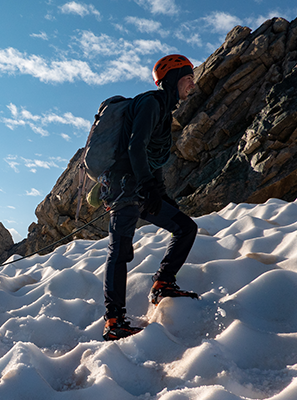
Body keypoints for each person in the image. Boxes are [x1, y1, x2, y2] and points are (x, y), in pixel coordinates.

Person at [102, 54, 199, 341]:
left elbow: (153, 157)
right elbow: (136, 147)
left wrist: (161, 194)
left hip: (140, 188)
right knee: (120, 250)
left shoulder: (164, 111)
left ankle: (163, 284)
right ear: (172, 79)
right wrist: (147, 185)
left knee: (185, 227)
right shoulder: (151, 103)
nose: (193, 85)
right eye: (188, 78)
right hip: (124, 187)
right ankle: (114, 321)